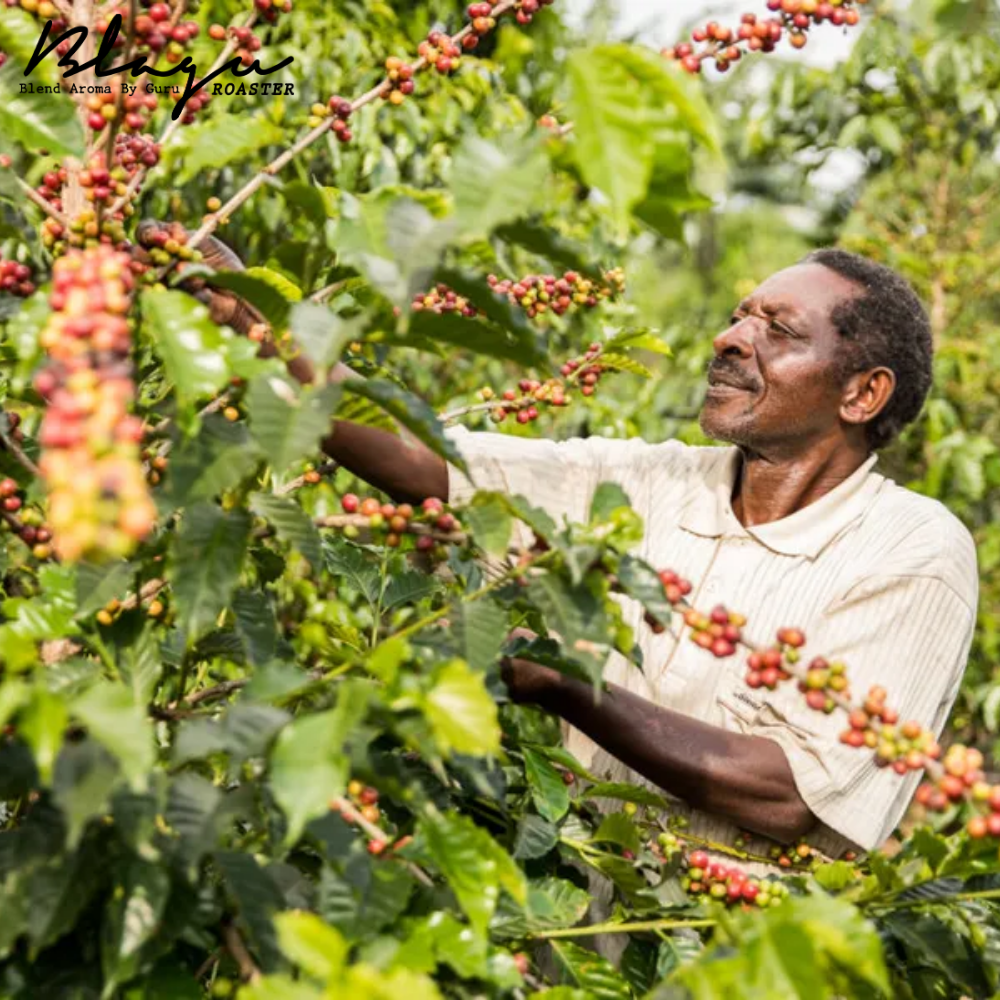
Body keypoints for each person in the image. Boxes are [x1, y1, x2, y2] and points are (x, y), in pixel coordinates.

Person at [186, 234, 977, 869]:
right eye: (740, 315)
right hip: (575, 943)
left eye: (777, 329)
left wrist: (571, 686)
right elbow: (438, 466)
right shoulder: (649, 482)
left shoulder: (912, 550)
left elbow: (793, 795)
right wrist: (259, 324)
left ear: (861, 394)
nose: (731, 339)